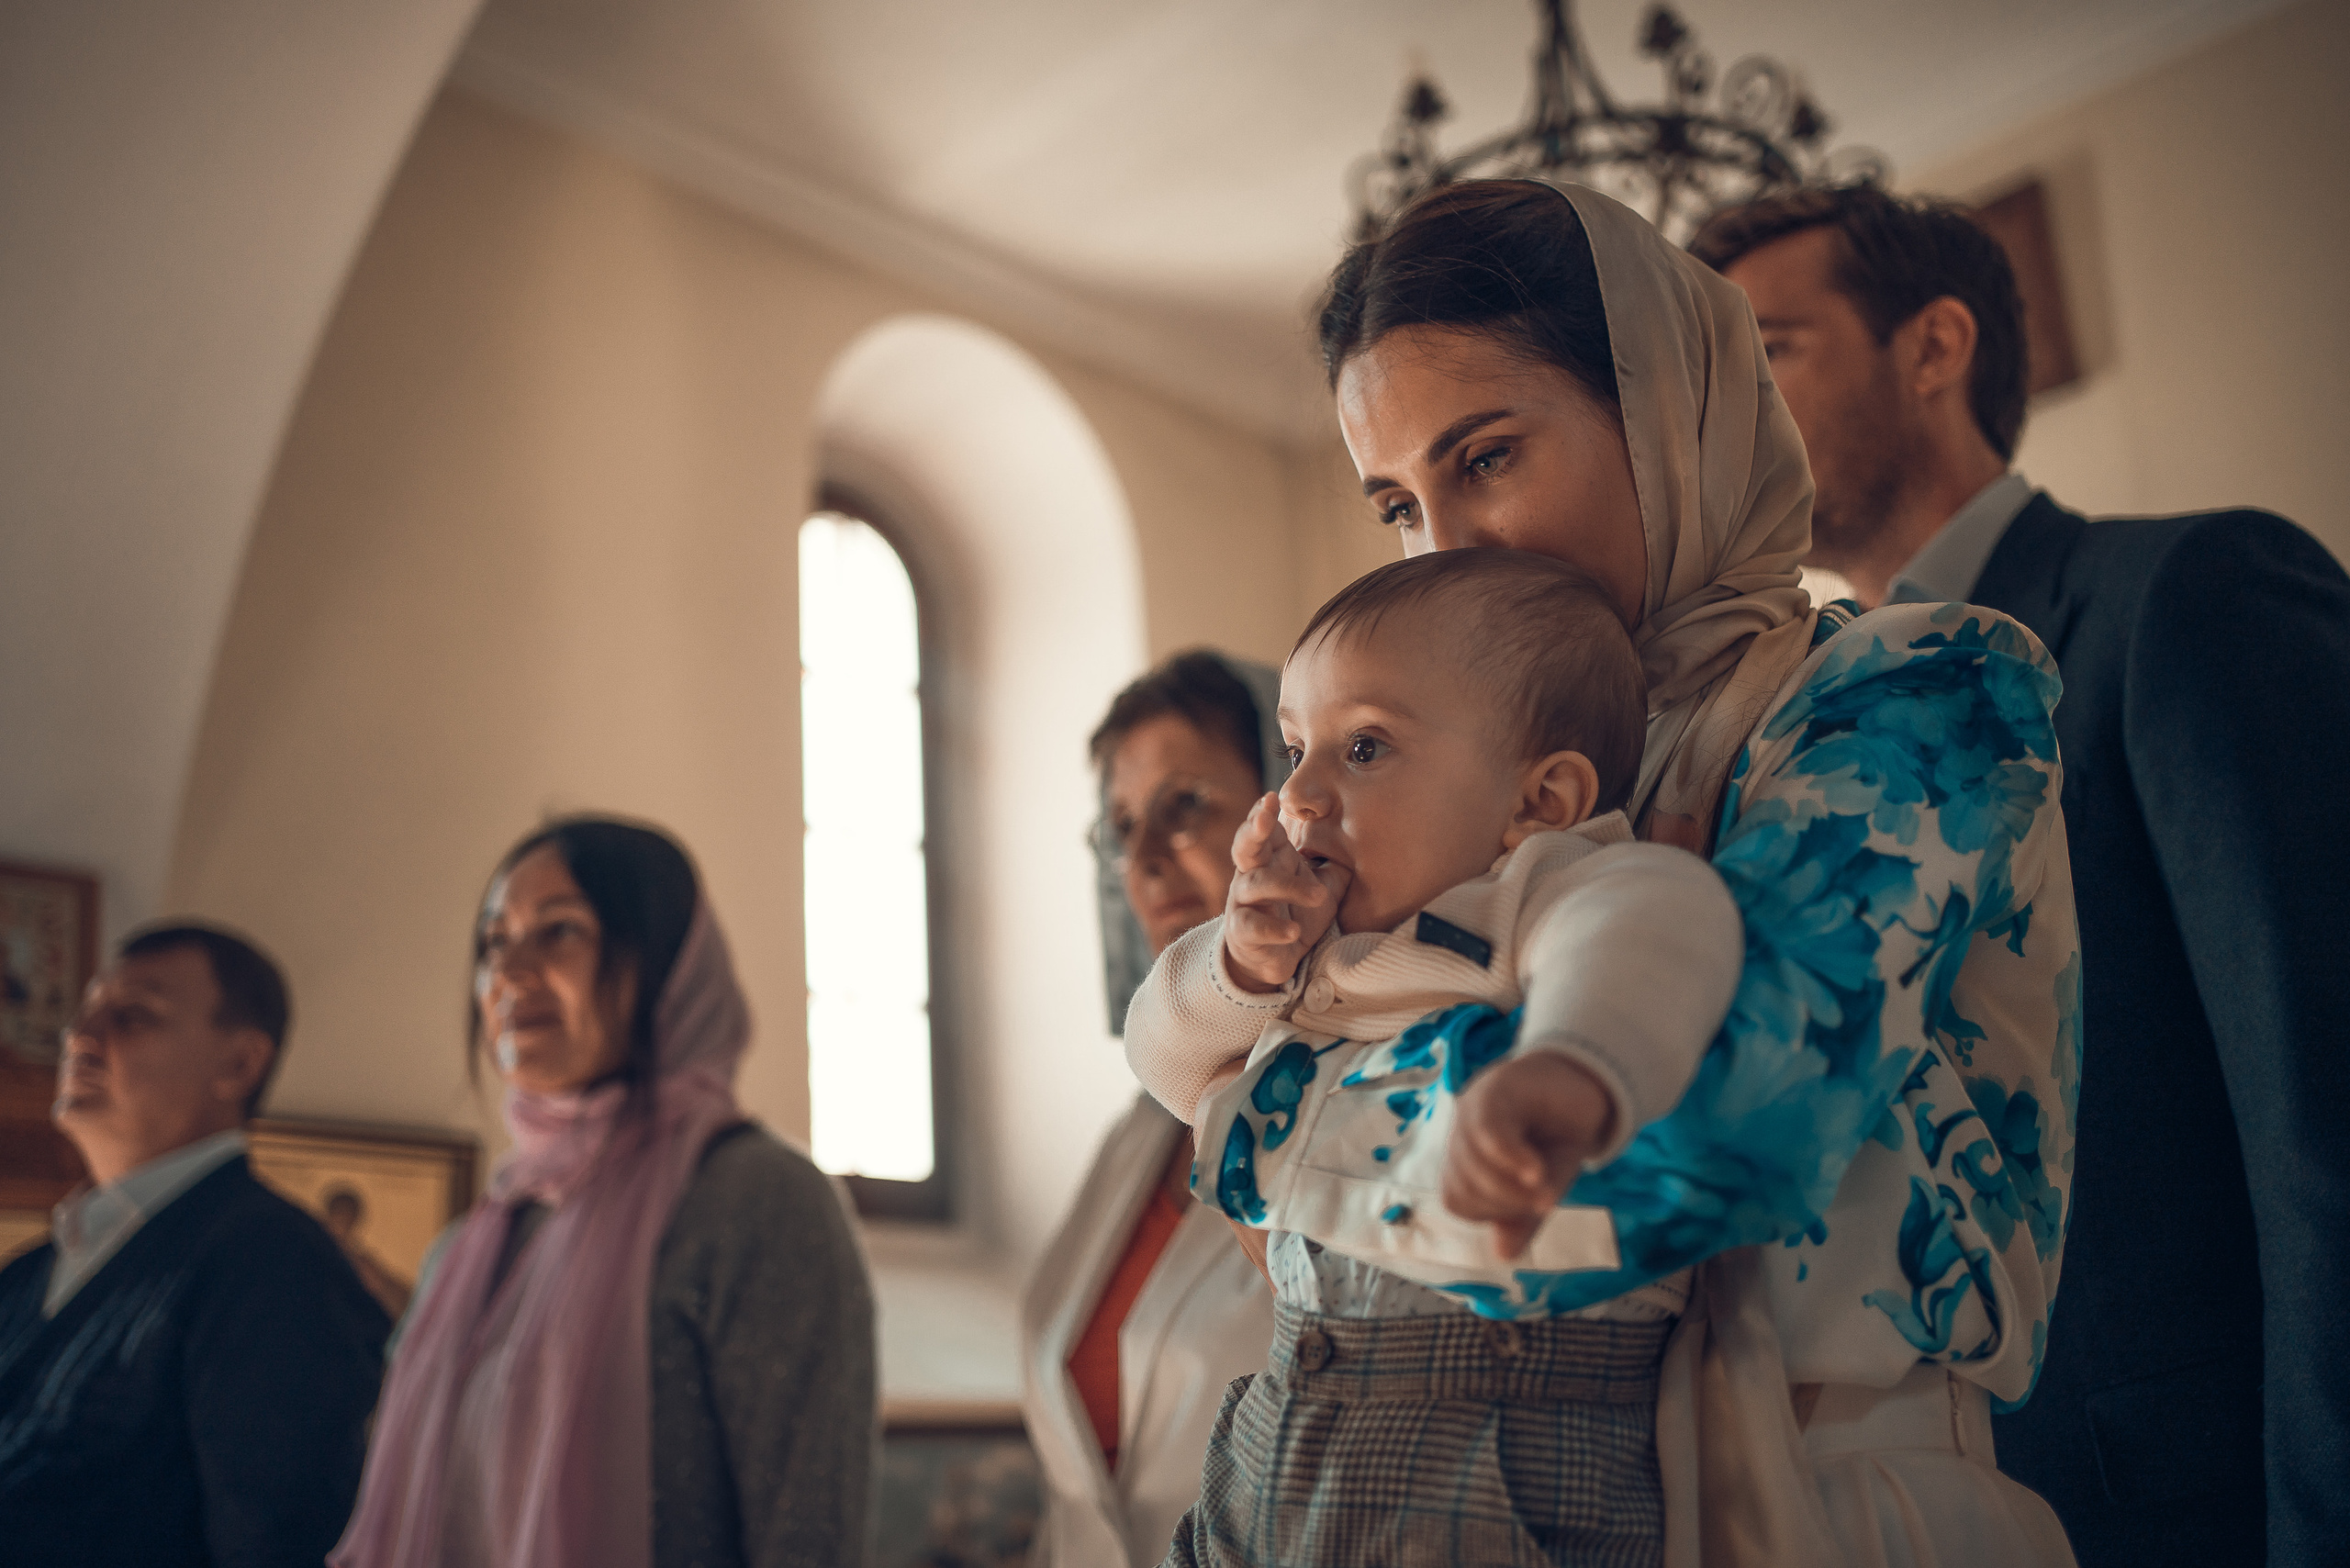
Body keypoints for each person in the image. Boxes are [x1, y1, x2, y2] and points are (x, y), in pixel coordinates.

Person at [1315, 178, 2083, 1566]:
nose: (1440, 549)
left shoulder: (1918, 685)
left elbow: (1700, 1149)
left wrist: (1261, 1133)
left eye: (1483, 458)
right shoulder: (1487, 782)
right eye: (1396, 505)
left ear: (1667, 412)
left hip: (1845, 1503)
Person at [1690, 184, 2350, 1568]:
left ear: (1934, 348)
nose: (1733, 420)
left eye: (1773, 355)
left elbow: (2323, 1109)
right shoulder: (1779, 736)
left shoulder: (2187, 597)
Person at [1126, 550, 1747, 1566]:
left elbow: (1656, 927)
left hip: (1490, 1445)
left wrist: (1575, 1065)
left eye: (1363, 749)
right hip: (1274, 1433)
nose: (1303, 797)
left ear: (1538, 801)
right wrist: (1238, 959)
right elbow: (1159, 1049)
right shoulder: (1310, 944)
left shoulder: (1543, 889)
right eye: (1295, 752)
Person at [332, 817, 874, 1568]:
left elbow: (806, 1535)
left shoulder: (754, 1201)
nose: (511, 973)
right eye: (494, 943)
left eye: (558, 932)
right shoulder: (477, 1239)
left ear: (666, 964)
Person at [0, 923, 391, 1568]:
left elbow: (278, 1542)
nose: (80, 1036)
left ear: (239, 1064)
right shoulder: (27, 1275)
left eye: (133, 1016)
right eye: (86, 1013)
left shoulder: (273, 1264)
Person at [1021, 650, 1281, 1567]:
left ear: (1289, 800)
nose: (1143, 862)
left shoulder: (1371, 1086)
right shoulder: (1135, 1139)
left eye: (1184, 807)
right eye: (1121, 826)